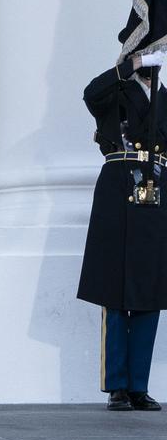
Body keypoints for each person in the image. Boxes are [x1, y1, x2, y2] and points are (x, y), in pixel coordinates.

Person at [78, 48, 167, 411]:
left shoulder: (164, 97)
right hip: (118, 188)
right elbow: (90, 93)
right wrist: (126, 67)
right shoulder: (116, 92)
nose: (151, 59)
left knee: (150, 294)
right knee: (114, 290)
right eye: (143, 54)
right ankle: (116, 385)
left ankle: (137, 387)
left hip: (156, 191)